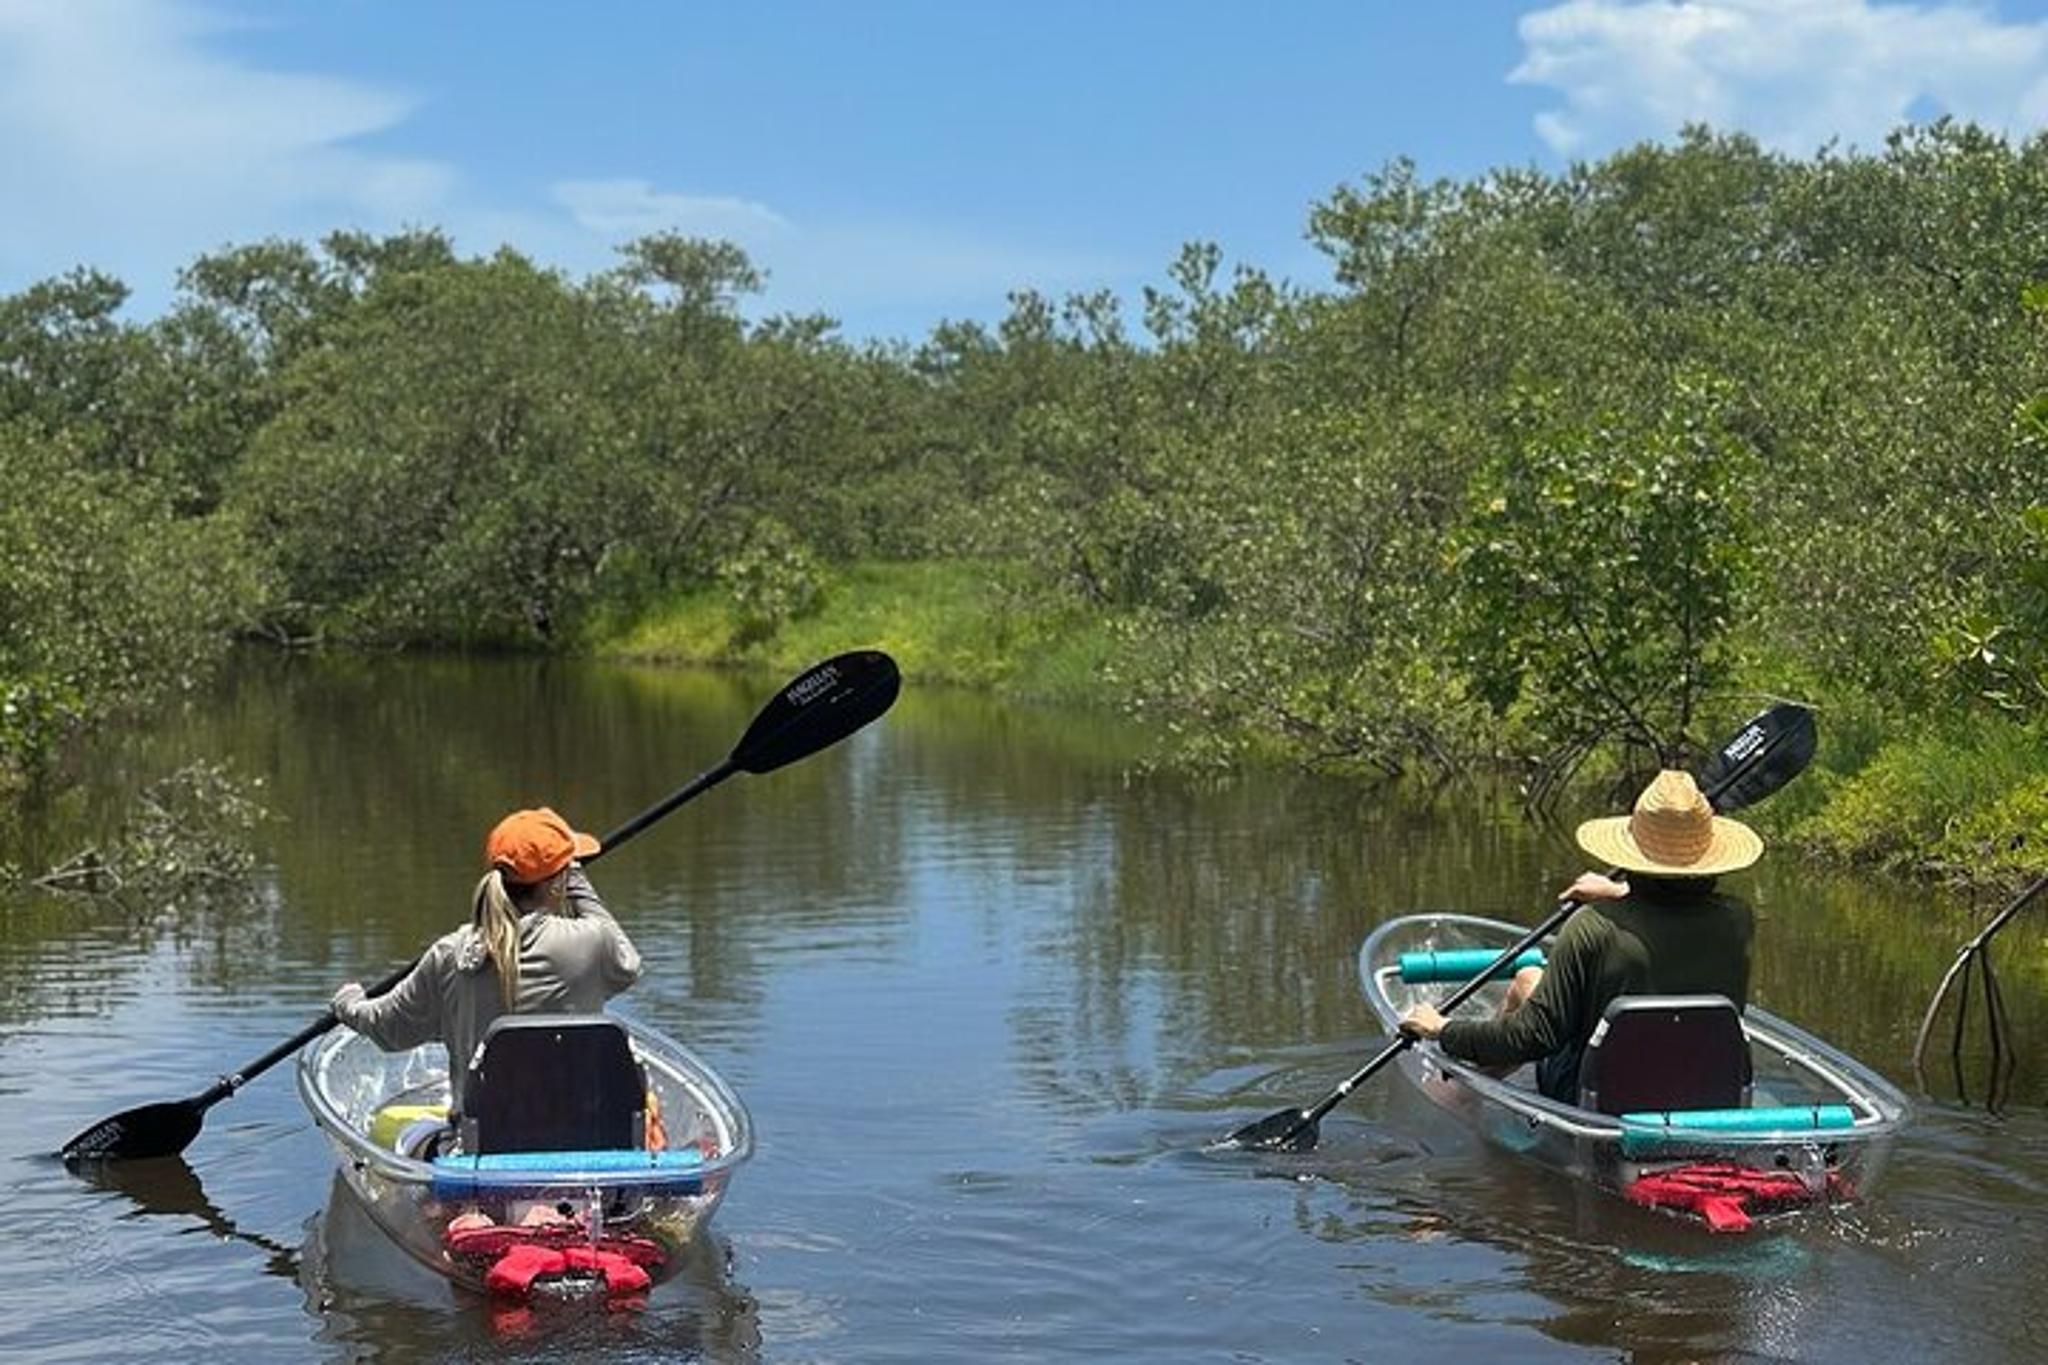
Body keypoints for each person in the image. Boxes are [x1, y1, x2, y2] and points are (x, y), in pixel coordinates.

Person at [1400, 768, 1761, 1105]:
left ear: (1634, 852)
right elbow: (1676, 905)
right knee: (1531, 980)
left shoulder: (1593, 927)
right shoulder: (1738, 919)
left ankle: (1458, 1098)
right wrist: (1618, 890)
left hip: (1599, 1098)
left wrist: (1442, 1029)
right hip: (1709, 1094)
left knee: (1527, 980)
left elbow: (1532, 1037)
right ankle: (1463, 1095)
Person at [331, 806, 643, 1146]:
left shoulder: (450, 954)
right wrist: (576, 884)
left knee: (406, 1137)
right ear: (559, 882)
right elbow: (628, 966)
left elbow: (388, 1030)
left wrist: (348, 1003)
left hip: (486, 1144)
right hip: (584, 1136)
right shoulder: (589, 941)